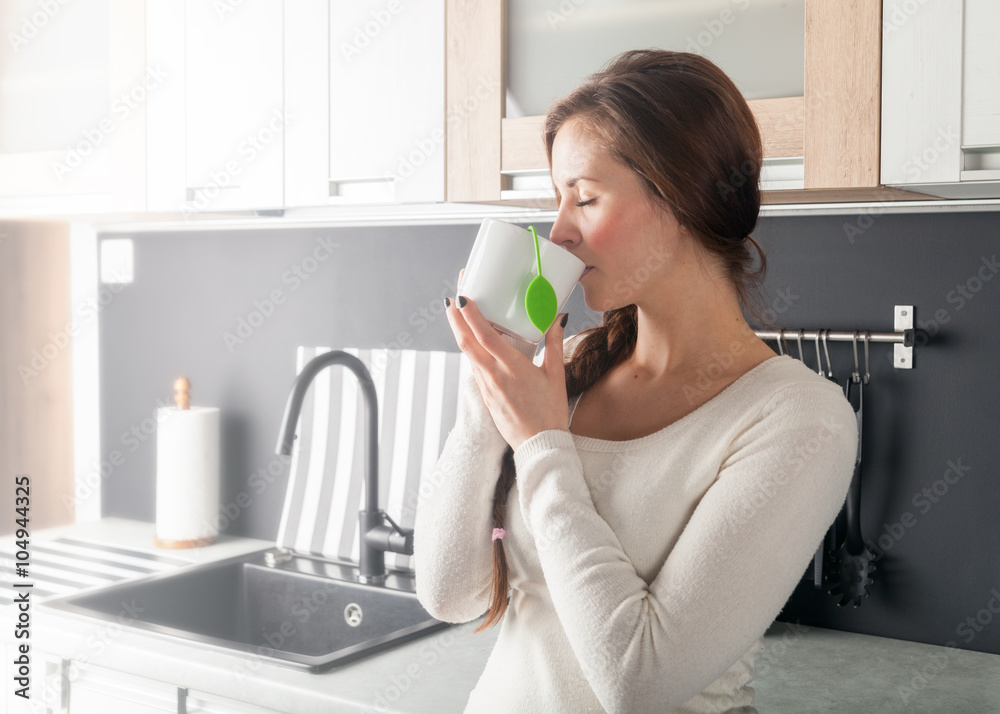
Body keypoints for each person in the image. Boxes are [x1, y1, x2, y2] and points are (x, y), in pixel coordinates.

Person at [414, 50, 857, 713]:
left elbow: (638, 683)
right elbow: (450, 596)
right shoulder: (571, 364)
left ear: (682, 196)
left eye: (585, 197)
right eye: (557, 199)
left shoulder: (798, 420)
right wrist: (487, 401)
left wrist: (540, 442)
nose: (559, 232)